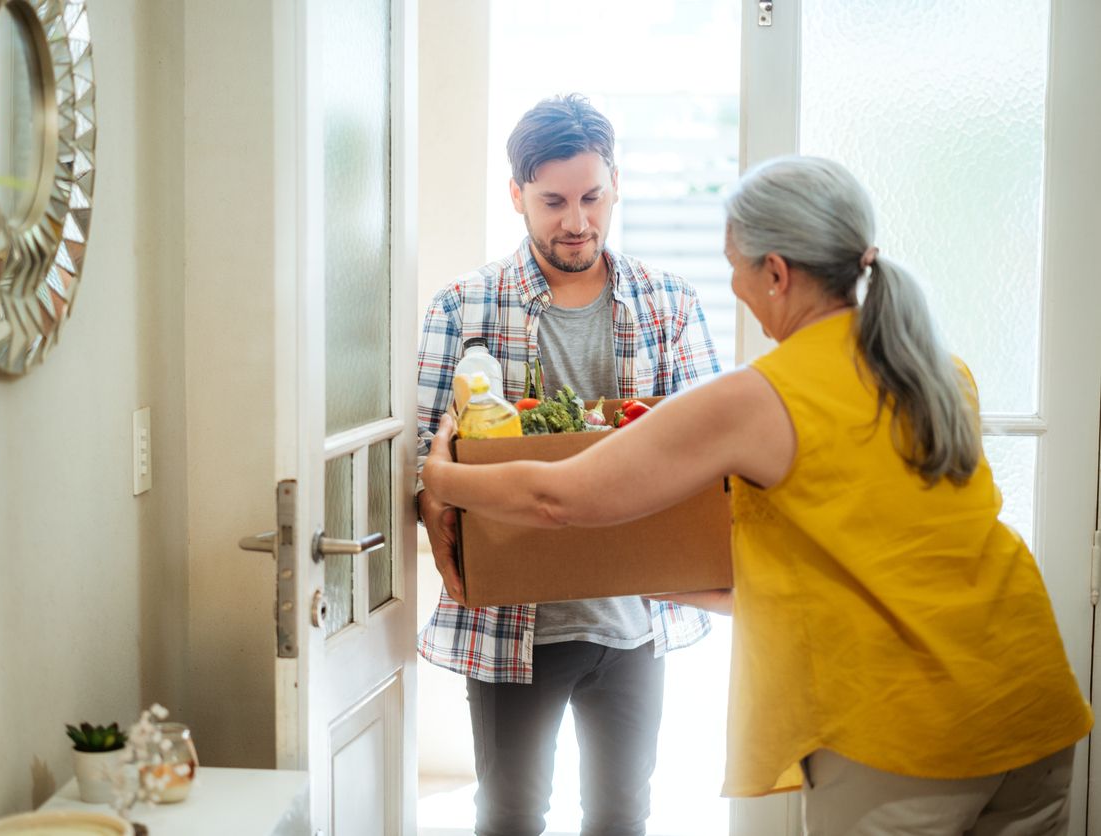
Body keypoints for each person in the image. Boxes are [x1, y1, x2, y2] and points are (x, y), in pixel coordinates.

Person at [421, 155, 1093, 834]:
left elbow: (559, 497)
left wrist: (441, 476)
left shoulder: (760, 397)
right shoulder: (938, 370)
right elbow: (855, 554)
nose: (734, 285)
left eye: (735, 264)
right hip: (1029, 693)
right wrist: (661, 578)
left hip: (906, 725)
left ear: (776, 272)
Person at [415, 93, 722, 836]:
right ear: (516, 193)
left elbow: (713, 465)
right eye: (553, 200)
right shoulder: (463, 307)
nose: (577, 221)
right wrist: (454, 567)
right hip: (513, 622)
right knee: (512, 817)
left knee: (621, 816)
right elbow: (425, 474)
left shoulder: (669, 305)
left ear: (615, 185)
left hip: (634, 619)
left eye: (592, 197)